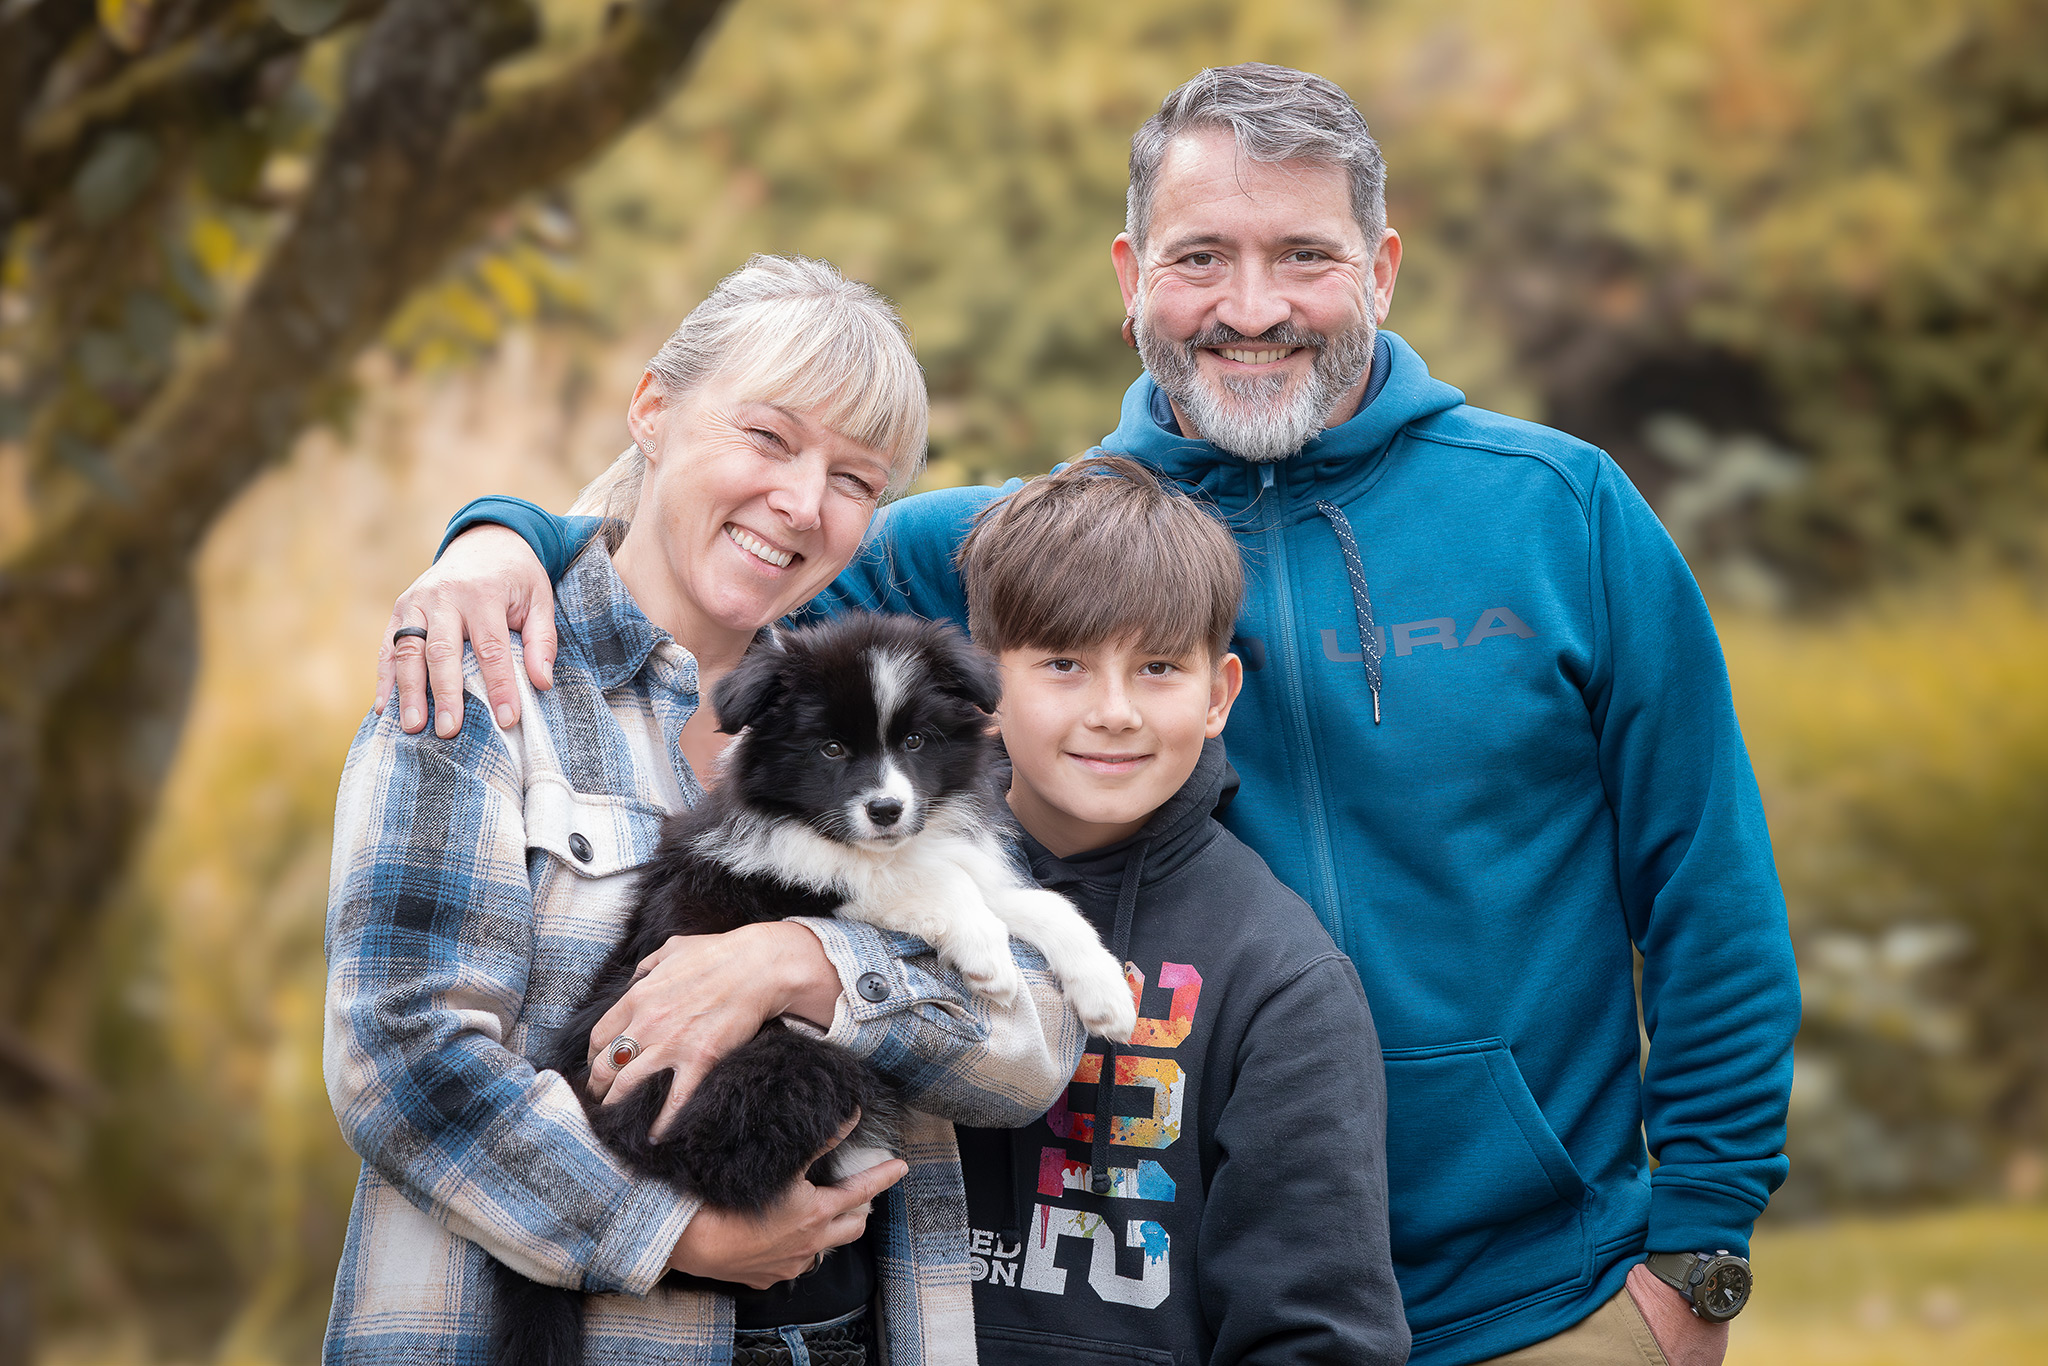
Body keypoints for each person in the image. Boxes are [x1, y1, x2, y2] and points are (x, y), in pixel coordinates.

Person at [384, 64, 1800, 1366]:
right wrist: (508, 541)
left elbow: (1709, 891)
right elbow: (729, 543)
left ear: (1379, 265)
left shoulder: (1559, 514)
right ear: (1131, 279)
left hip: (1542, 1296)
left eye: (1303, 254)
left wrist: (1699, 1255)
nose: (1252, 306)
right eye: (1201, 259)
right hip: (1163, 1299)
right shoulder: (1026, 552)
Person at [323, 255, 1089, 1366]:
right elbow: (399, 1054)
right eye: (768, 438)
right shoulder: (476, 680)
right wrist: (671, 1230)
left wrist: (808, 965)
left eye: (853, 479)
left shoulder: (877, 721)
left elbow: (1029, 1043)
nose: (799, 501)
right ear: (652, 410)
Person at [951, 456, 1406, 1364]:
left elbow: (1320, 1337)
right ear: (984, 689)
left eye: (1157, 667)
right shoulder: (901, 893)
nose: (1114, 712)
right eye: (1064, 664)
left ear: (1218, 695)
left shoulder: (1279, 977)